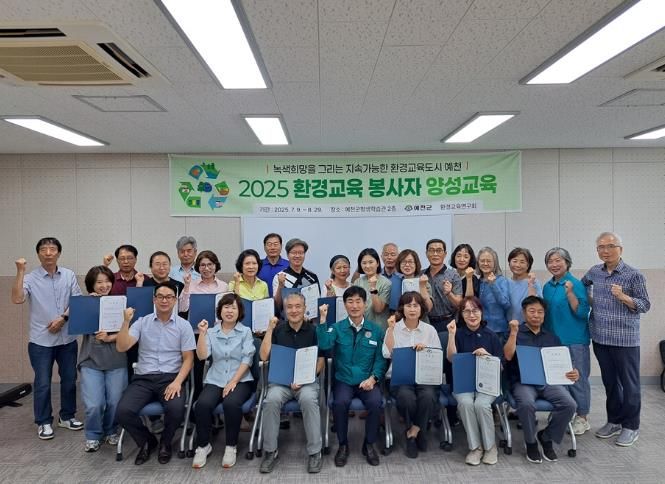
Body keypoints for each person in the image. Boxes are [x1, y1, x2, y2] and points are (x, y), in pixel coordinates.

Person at [115, 282, 196, 465]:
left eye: (169, 297)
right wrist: (126, 322)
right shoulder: (142, 322)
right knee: (122, 412)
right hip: (143, 379)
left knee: (176, 409)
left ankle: (165, 443)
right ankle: (147, 441)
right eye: (160, 296)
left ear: (175, 300)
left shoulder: (183, 326)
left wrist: (177, 382)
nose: (164, 300)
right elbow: (122, 346)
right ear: (154, 300)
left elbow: (188, 359)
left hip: (170, 378)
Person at [11, 237, 84, 440]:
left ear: (59, 253)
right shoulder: (30, 278)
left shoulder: (68, 275)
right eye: (44, 249)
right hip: (41, 341)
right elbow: (17, 299)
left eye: (52, 249)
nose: (48, 253)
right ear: (38, 254)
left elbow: (77, 300)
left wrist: (63, 318)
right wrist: (20, 271)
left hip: (67, 339)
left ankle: (67, 417)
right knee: (43, 383)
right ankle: (43, 421)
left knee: (69, 380)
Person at [582, 232, 650, 447]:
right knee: (610, 383)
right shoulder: (595, 271)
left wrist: (623, 297)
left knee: (630, 385)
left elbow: (645, 305)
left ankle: (631, 426)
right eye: (601, 247)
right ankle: (614, 421)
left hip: (625, 340)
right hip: (600, 337)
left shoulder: (633, 275)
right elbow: (582, 285)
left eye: (610, 246)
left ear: (621, 249)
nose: (605, 251)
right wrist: (590, 300)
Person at [317, 286, 387, 467]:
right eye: (350, 302)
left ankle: (369, 444)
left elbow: (380, 360)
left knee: (375, 403)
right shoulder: (337, 328)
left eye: (358, 301)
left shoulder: (376, 330)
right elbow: (324, 345)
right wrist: (323, 320)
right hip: (344, 380)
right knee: (339, 403)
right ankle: (343, 445)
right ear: (345, 305)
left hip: (368, 380)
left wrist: (373, 378)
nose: (354, 306)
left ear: (365, 304)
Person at [504, 296, 578, 464]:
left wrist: (573, 372)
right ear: (524, 313)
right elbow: (507, 356)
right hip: (523, 382)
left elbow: (564, 363)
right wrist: (514, 333)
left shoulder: (552, 338)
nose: (536, 315)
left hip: (548, 382)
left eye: (540, 312)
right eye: (532, 311)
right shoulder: (515, 333)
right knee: (526, 404)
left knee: (570, 404)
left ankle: (546, 436)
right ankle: (531, 443)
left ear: (544, 315)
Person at [259, 293, 324, 474]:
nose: (294, 310)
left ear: (305, 308)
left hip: (307, 382)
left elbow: (321, 361)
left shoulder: (314, 331)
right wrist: (269, 329)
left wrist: (305, 378)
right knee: (271, 400)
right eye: (289, 307)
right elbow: (263, 356)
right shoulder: (278, 330)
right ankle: (270, 451)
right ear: (284, 310)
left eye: (298, 306)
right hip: (281, 382)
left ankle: (315, 452)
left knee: (309, 400)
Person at [191, 293, 255, 469]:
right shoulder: (211, 332)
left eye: (234, 307)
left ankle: (231, 446)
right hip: (216, 378)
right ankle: (203, 446)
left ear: (239, 311)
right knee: (202, 405)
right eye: (226, 307)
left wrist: (233, 381)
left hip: (240, 379)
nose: (229, 311)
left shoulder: (245, 332)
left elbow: (247, 359)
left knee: (231, 403)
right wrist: (202, 334)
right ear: (220, 310)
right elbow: (202, 356)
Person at [382, 292, 440, 458]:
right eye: (408, 305)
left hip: (425, 378)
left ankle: (413, 432)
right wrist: (391, 330)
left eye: (416, 305)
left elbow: (437, 357)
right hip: (401, 378)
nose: (412, 309)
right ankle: (419, 430)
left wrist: (426, 350)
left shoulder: (429, 330)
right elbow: (387, 353)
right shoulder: (393, 328)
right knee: (406, 397)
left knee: (428, 396)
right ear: (402, 308)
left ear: (421, 309)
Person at [446, 296, 502, 466]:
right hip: (464, 383)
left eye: (475, 310)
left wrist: (488, 357)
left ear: (481, 312)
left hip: (488, 384)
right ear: (462, 315)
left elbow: (501, 367)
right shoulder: (458, 334)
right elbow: (451, 359)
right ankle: (476, 448)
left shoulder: (491, 336)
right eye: (467, 311)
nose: (471, 315)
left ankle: (490, 447)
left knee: (481, 405)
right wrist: (451, 335)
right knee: (466, 403)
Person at [78, 266, 128, 452]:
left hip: (116, 360)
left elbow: (131, 331)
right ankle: (93, 435)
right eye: (99, 282)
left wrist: (110, 337)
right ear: (91, 285)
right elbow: (77, 324)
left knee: (115, 402)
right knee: (94, 404)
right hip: (90, 360)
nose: (104, 285)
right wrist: (89, 303)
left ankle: (111, 431)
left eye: (107, 281)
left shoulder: (120, 303)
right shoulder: (85, 303)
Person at [543, 247, 591, 436]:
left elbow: (582, 313)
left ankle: (582, 417)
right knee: (559, 380)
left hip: (574, 340)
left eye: (558, 260)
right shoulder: (547, 286)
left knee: (577, 379)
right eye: (550, 261)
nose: (554, 264)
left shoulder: (575, 284)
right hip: (553, 341)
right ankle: (565, 412)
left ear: (567, 262)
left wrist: (570, 293)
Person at [423, 239, 462, 332]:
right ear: (426, 254)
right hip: (425, 322)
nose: (435, 254)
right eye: (431, 250)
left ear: (445, 254)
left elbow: (459, 304)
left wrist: (449, 293)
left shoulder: (453, 275)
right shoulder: (421, 275)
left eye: (439, 250)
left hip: (447, 322)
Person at [273, 238, 320, 309]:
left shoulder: (312, 277)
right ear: (287, 255)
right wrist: (281, 285)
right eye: (294, 253)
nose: (297, 256)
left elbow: (317, 302)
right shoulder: (279, 276)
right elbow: (277, 306)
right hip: (287, 316)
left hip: (309, 315)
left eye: (301, 253)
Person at [476, 247, 511, 340]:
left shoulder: (502, 280)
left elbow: (506, 304)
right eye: (482, 261)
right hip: (480, 328)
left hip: (498, 331)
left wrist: (493, 284)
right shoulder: (478, 281)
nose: (485, 263)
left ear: (495, 263)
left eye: (489, 261)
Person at [353, 248, 391, 329]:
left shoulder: (386, 283)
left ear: (377, 263)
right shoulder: (357, 282)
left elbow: (378, 309)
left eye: (371, 262)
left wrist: (373, 288)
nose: (367, 266)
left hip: (379, 328)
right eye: (364, 263)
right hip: (361, 328)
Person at [507, 247, 542, 321]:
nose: (518, 265)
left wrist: (531, 284)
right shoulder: (506, 282)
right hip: (509, 325)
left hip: (528, 325)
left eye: (522, 262)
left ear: (528, 265)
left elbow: (537, 306)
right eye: (515, 261)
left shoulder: (534, 282)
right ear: (509, 263)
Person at [396, 249, 433, 313]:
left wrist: (422, 287)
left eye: (410, 262)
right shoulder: (396, 282)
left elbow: (429, 308)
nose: (407, 265)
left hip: (420, 318)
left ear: (416, 264)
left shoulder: (423, 282)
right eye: (404, 262)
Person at [380, 243, 402, 312]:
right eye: (386, 254)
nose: (389, 257)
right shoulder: (376, 276)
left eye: (393, 254)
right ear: (381, 256)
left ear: (399, 256)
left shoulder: (404, 276)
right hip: (380, 315)